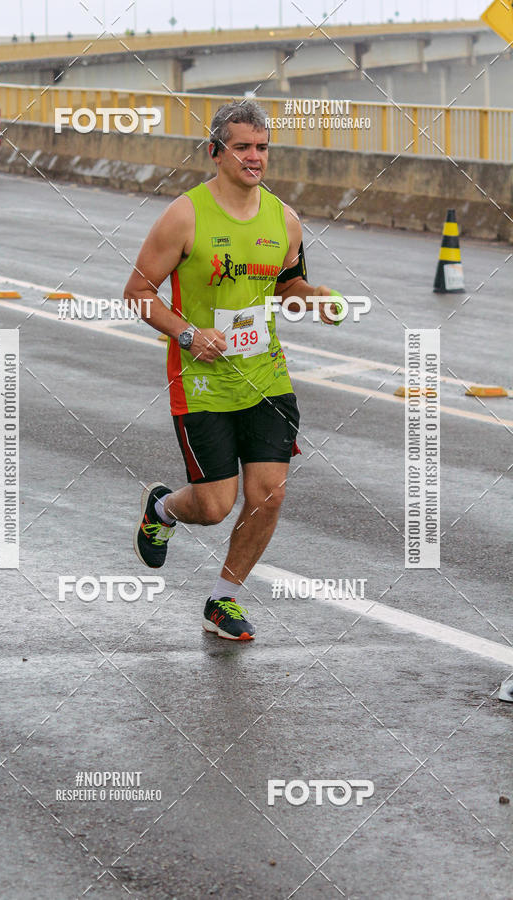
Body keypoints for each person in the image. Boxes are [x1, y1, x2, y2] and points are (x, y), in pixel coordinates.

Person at [124, 100, 336, 641]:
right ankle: (164, 508)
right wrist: (190, 335)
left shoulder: (284, 218)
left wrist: (315, 298)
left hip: (266, 375)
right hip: (201, 383)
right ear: (216, 151)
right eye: (242, 147)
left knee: (270, 493)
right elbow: (138, 293)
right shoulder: (185, 215)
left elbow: (287, 284)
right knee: (215, 506)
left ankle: (225, 599)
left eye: (262, 148)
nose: (254, 158)